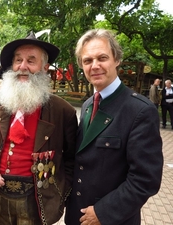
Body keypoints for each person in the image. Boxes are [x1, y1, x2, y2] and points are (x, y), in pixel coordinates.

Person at [0, 31, 78, 225]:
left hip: (36, 201)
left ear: (45, 67)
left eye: (31, 61)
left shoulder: (63, 111)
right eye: (18, 60)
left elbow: (71, 159)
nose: (22, 67)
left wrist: (59, 193)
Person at [65, 29, 163, 225]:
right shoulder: (87, 105)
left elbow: (146, 179)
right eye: (87, 60)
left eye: (102, 58)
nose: (95, 66)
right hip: (77, 217)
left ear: (116, 59)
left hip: (111, 219)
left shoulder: (140, 111)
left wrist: (103, 212)